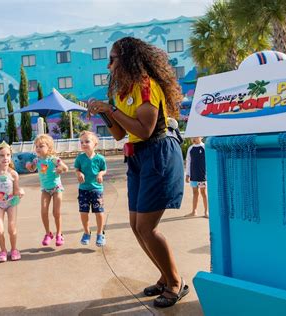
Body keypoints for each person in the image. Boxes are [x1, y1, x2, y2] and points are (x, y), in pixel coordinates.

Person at [88, 37, 188, 308]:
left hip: (157, 153)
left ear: (129, 59)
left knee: (146, 227)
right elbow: (121, 133)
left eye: (113, 58)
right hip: (137, 157)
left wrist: (110, 109)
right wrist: (105, 114)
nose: (108, 64)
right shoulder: (122, 92)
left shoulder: (146, 86)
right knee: (136, 226)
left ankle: (176, 283)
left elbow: (145, 129)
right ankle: (165, 277)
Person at [26, 134, 69, 247]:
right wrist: (29, 166)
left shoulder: (54, 159)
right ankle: (48, 233)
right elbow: (32, 169)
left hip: (56, 189)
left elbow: (65, 168)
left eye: (41, 146)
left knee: (56, 213)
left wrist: (60, 169)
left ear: (49, 148)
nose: (38, 148)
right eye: (37, 146)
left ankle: (59, 234)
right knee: (44, 212)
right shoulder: (36, 160)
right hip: (45, 189)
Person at [0, 141, 25, 262]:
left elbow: (16, 190)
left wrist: (20, 192)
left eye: (8, 155)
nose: (5, 158)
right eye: (2, 155)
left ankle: (14, 249)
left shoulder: (13, 174)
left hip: (11, 203)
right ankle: (3, 250)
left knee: (11, 228)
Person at [74, 131, 107, 246]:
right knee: (83, 212)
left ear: (95, 144)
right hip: (83, 189)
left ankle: (99, 234)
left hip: (97, 189)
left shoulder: (100, 158)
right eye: (81, 142)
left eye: (87, 141)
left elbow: (104, 169)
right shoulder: (80, 158)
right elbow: (77, 169)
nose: (83, 144)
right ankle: (87, 232)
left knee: (99, 212)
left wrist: (100, 174)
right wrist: (79, 173)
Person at [185, 137, 208, 218]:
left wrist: (207, 174)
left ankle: (206, 211)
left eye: (196, 137)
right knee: (195, 193)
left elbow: (208, 161)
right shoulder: (190, 149)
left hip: (202, 176)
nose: (193, 139)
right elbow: (188, 162)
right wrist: (187, 174)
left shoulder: (205, 147)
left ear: (201, 137)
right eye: (192, 137)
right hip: (193, 175)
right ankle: (194, 211)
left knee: (203, 193)